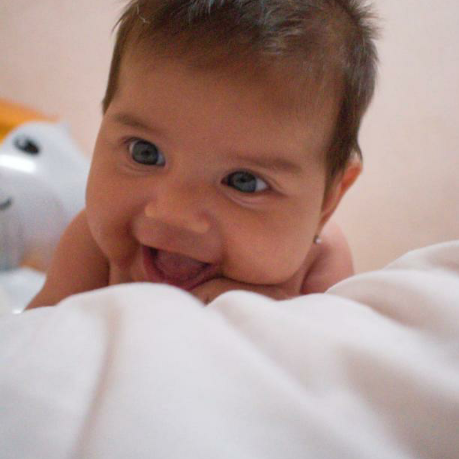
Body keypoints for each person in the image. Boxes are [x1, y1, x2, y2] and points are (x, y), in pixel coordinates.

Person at [28, 0, 378, 308]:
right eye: (145, 153)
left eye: (244, 182)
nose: (172, 213)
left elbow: (327, 353)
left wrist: (273, 314)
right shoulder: (92, 245)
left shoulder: (321, 259)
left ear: (328, 201)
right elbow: (38, 340)